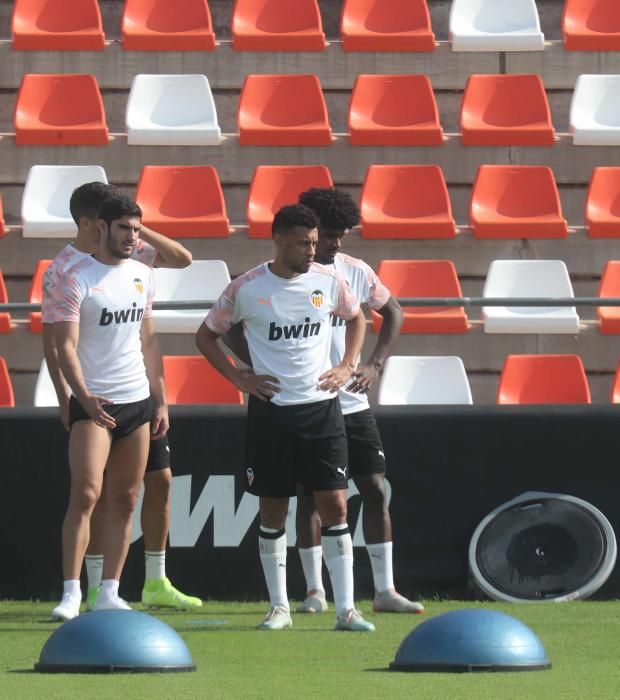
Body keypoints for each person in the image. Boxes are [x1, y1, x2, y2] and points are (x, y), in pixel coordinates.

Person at [224, 188, 424, 615]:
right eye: (327, 234)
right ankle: (315, 590)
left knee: (372, 487)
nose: (333, 243)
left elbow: (392, 313)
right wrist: (254, 364)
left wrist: (370, 365)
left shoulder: (354, 272)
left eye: (338, 235)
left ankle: (384, 590)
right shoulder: (267, 282)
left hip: (348, 400)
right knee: (310, 496)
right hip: (303, 400)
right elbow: (222, 328)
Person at [196, 204, 374, 631]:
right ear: (277, 240)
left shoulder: (328, 281)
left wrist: (348, 364)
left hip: (322, 410)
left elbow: (358, 319)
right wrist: (240, 377)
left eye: (314, 242)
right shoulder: (248, 287)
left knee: (335, 506)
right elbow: (205, 335)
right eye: (302, 243)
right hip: (271, 413)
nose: (311, 250)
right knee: (273, 510)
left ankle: (346, 609)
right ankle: (279, 607)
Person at [43, 182, 201, 613]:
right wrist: (80, 396)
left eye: (137, 229)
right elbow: (62, 346)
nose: (133, 236)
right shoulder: (73, 277)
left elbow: (148, 342)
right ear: (100, 228)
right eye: (126, 229)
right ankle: (73, 592)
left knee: (127, 498)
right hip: (96, 404)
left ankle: (111, 591)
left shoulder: (142, 273)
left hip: (138, 402)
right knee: (88, 493)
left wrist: (160, 399)